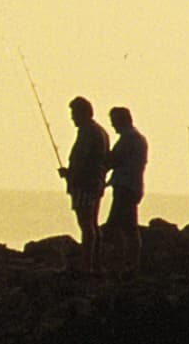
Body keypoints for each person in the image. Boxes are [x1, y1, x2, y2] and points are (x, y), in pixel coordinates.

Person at [58, 97, 111, 272]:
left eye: (74, 113)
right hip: (95, 183)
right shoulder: (100, 131)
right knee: (93, 224)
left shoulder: (88, 132)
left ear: (83, 113)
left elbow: (83, 161)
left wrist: (70, 174)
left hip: (84, 185)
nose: (72, 117)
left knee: (86, 225)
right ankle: (96, 264)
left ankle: (87, 265)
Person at [103, 106, 150, 278]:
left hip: (125, 187)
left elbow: (111, 161)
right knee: (129, 227)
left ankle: (122, 264)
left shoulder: (128, 139)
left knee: (115, 226)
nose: (113, 125)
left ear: (122, 120)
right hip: (134, 186)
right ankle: (131, 264)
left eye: (114, 121)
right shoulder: (138, 138)